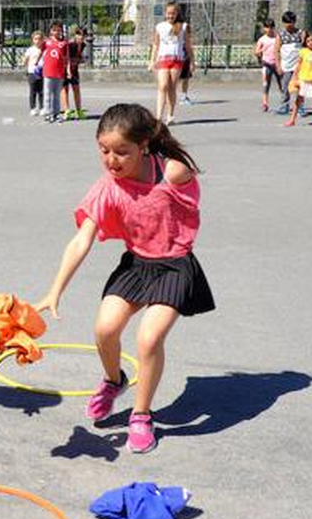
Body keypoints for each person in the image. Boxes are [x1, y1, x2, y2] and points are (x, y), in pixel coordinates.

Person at [35, 103, 214, 454]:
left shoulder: (172, 172)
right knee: (105, 328)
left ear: (144, 145)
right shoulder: (107, 187)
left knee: (148, 339)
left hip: (175, 265)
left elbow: (188, 197)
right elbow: (81, 239)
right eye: (103, 150)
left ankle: (141, 415)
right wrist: (54, 291)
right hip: (136, 264)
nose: (111, 160)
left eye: (121, 152)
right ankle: (113, 380)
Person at [149, 1, 193, 125]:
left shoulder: (183, 27)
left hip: (177, 60)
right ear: (165, 13)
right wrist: (152, 61)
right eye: (168, 13)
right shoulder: (160, 26)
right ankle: (158, 117)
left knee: (171, 88)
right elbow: (156, 45)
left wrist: (192, 62)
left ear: (177, 14)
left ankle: (170, 115)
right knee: (162, 86)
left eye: (173, 13)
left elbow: (188, 46)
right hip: (163, 59)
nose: (170, 16)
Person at [284, 30, 312, 128]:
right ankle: (292, 120)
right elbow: (299, 65)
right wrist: (294, 77)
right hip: (303, 78)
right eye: (308, 41)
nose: (310, 43)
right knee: (298, 100)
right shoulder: (303, 51)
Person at [276, 11, 304, 115]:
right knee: (285, 86)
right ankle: (285, 105)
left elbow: (304, 48)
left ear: (294, 22)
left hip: (298, 65)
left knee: (299, 86)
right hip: (285, 65)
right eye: (286, 22)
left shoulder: (300, 33)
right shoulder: (281, 34)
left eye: (290, 22)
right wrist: (278, 65)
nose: (288, 25)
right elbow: (277, 50)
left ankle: (300, 106)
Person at [254, 18, 282, 112]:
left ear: (273, 28)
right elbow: (256, 51)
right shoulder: (262, 39)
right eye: (267, 27)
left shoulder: (277, 38)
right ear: (264, 29)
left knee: (282, 84)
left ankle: (284, 102)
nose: (269, 29)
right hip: (267, 64)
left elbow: (281, 48)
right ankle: (265, 103)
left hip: (277, 64)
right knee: (266, 84)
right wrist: (261, 51)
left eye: (271, 27)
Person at [42, 21, 68, 123]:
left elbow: (66, 58)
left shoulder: (64, 43)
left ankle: (56, 113)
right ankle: (48, 114)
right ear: (50, 31)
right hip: (48, 71)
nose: (56, 32)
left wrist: (68, 70)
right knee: (47, 93)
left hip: (59, 72)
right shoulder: (46, 42)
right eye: (54, 30)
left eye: (58, 30)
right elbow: (40, 52)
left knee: (57, 94)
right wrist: (35, 64)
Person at [62, 26, 86, 120]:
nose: (81, 37)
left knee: (76, 89)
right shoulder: (70, 44)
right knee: (65, 90)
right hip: (64, 69)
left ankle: (79, 111)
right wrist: (68, 70)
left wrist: (80, 60)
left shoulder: (83, 45)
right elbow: (66, 58)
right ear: (75, 35)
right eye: (79, 35)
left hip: (74, 70)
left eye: (83, 36)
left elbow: (79, 58)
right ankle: (67, 111)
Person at [22, 31, 45, 117]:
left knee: (42, 91)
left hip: (42, 72)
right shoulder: (30, 50)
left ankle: (42, 108)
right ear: (32, 40)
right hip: (32, 72)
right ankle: (33, 108)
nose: (38, 41)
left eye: (39, 39)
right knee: (33, 91)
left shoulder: (44, 49)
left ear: (42, 40)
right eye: (36, 39)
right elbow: (25, 60)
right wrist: (24, 64)